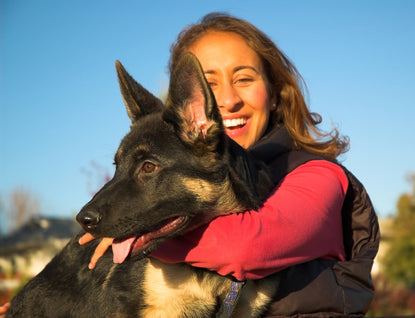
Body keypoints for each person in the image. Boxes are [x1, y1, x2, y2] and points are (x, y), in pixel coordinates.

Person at [1, 13, 379, 317]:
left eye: (244, 78)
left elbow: (246, 248)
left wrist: (134, 239)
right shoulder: (187, 163)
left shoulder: (314, 174)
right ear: (190, 101)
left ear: (275, 94)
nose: (227, 100)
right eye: (209, 84)